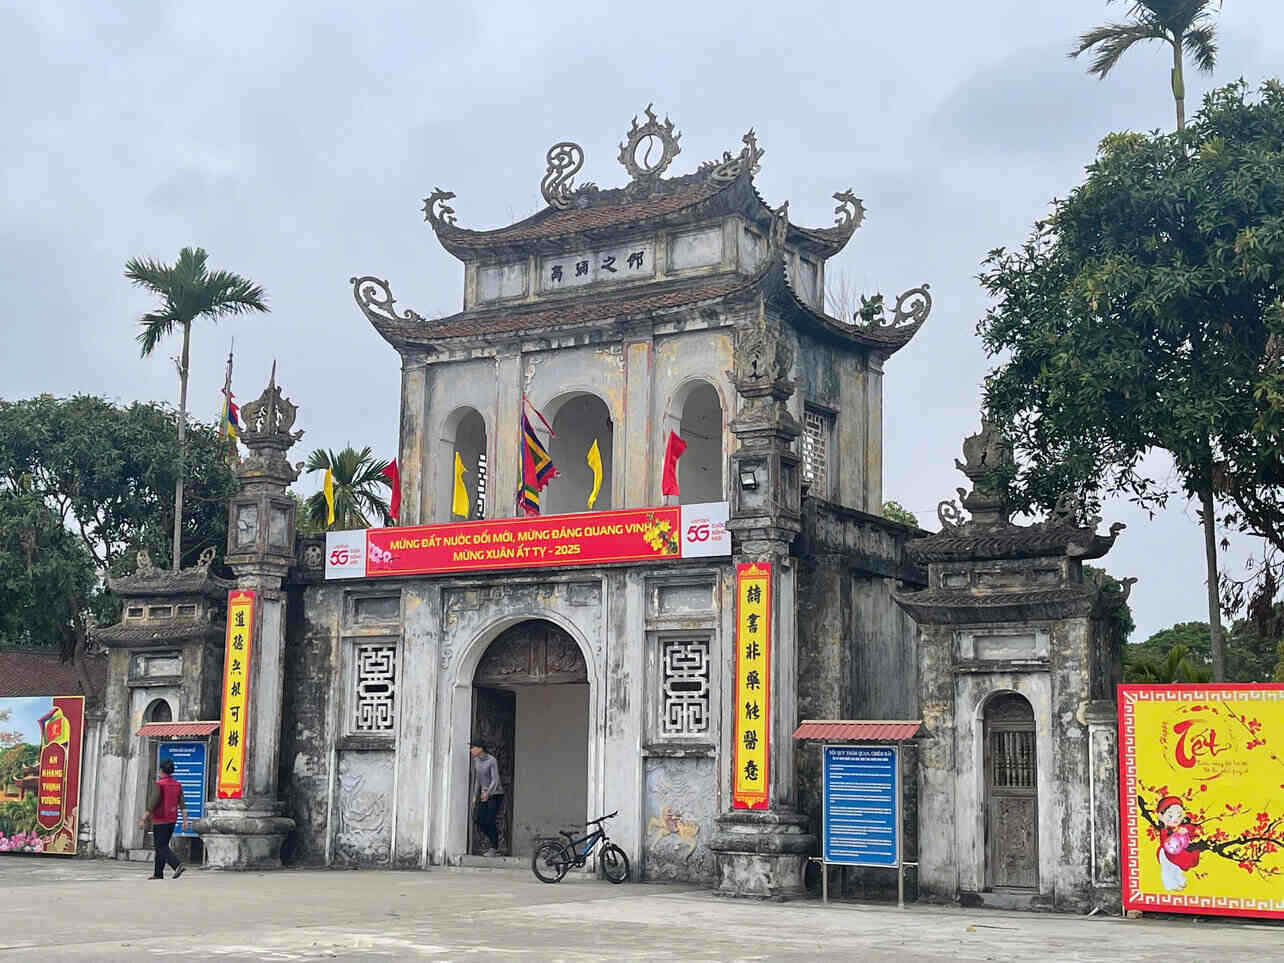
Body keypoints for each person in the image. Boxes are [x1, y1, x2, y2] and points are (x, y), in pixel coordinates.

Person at [139, 757, 188, 880]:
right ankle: (158, 873)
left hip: (160, 819)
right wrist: (185, 821)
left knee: (160, 846)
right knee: (161, 845)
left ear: (161, 770)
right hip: (172, 819)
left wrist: (143, 819)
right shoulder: (177, 785)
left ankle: (177, 865)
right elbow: (182, 804)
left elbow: (152, 803)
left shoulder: (160, 784)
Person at [1155, 794, 1200, 891]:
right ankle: (1170, 884)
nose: (1175, 819)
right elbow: (1167, 843)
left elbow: (1191, 829)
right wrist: (1175, 834)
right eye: (1170, 815)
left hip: (1178, 853)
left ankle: (1179, 880)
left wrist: (1185, 830)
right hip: (1167, 853)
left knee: (1177, 868)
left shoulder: (1183, 826)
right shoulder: (1164, 830)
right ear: (1161, 816)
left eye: (1179, 815)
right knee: (1168, 869)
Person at [470, 743, 503, 856]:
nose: (471, 750)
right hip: (483, 794)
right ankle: (494, 842)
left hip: (495, 794)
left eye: (473, 747)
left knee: (490, 820)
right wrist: (475, 796)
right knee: (479, 820)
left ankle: (494, 848)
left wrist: (488, 793)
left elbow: (495, 780)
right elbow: (478, 780)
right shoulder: (476, 761)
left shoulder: (491, 760)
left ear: (480, 748)